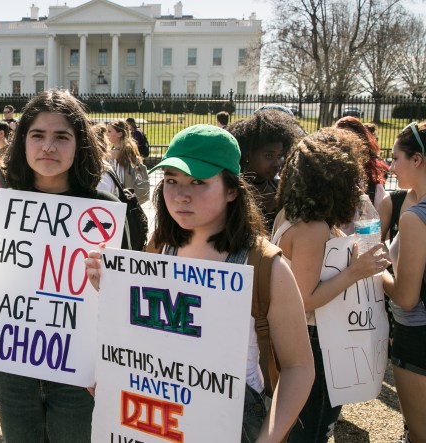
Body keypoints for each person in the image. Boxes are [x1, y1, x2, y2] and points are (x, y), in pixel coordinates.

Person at [86, 124, 314, 441]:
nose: (181, 195)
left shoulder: (266, 268)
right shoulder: (159, 249)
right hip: (161, 417)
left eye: (198, 182)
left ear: (232, 190)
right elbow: (150, 334)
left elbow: (299, 368)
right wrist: (112, 292)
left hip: (233, 424)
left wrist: (268, 438)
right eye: (171, 180)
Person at [0, 90, 122, 443]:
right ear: (23, 142)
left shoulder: (105, 210)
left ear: (79, 144)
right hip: (13, 369)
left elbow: (122, 301)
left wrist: (108, 280)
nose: (48, 146)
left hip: (79, 371)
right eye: (37, 135)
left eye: (61, 137)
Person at [272, 128, 389, 443]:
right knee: (314, 427)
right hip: (315, 338)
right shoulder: (312, 227)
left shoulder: (292, 213)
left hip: (306, 335)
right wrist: (357, 271)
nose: (358, 185)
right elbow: (304, 299)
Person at [380, 122, 426, 443]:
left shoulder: (415, 217)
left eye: (396, 158)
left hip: (416, 336)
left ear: (417, 160)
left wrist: (373, 271)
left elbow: (406, 298)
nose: (391, 167)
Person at [227, 109, 302, 231]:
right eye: (269, 156)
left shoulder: (281, 189)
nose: (277, 163)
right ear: (247, 154)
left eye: (280, 156)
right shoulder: (234, 192)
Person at [335, 116, 389, 210]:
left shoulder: (373, 183)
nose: (346, 147)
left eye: (352, 142)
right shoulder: (327, 176)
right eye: (340, 141)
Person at [106, 119, 150, 204]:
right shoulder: (126, 147)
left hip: (124, 194)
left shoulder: (122, 151)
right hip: (127, 194)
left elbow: (107, 155)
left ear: (119, 134)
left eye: (109, 131)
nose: (106, 134)